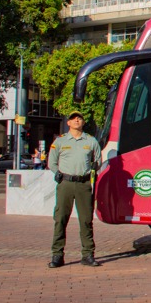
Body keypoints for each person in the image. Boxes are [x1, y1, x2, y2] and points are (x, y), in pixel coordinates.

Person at [47, 111, 102, 268]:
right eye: (73, 118)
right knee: (60, 219)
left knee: (86, 220)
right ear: (68, 123)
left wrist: (93, 171)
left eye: (79, 118)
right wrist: (57, 173)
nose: (77, 120)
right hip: (66, 183)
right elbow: (52, 162)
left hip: (84, 184)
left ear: (83, 122)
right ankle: (57, 255)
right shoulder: (60, 141)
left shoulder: (91, 141)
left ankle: (88, 254)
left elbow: (97, 160)